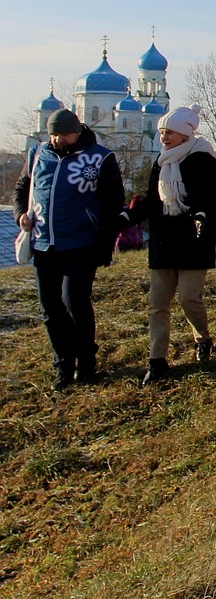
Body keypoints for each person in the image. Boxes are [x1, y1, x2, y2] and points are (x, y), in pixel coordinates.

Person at [113, 105, 216, 385]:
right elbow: (154, 201)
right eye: (162, 132)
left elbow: (215, 200)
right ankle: (157, 360)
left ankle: (203, 338)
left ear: (185, 134)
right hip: (163, 243)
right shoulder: (162, 162)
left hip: (193, 242)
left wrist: (201, 213)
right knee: (158, 305)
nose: (164, 137)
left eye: (170, 132)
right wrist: (129, 215)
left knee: (190, 299)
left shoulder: (203, 159)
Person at [13, 108, 124, 390]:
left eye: (64, 134)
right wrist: (20, 215)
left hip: (81, 243)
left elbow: (113, 203)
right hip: (43, 241)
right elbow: (22, 188)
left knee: (74, 300)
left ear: (77, 131)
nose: (58, 139)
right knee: (49, 306)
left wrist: (104, 243)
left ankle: (86, 362)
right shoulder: (38, 154)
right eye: (54, 134)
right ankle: (64, 363)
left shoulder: (100, 157)